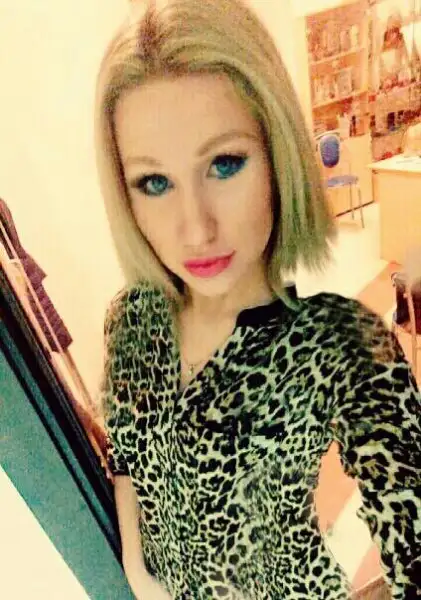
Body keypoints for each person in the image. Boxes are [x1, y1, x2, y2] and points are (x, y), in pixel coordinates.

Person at [94, 1, 421, 598]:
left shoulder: (341, 346)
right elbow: (126, 460)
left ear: (277, 156)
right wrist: (138, 573)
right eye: (155, 182)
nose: (195, 229)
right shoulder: (132, 319)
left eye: (224, 164)